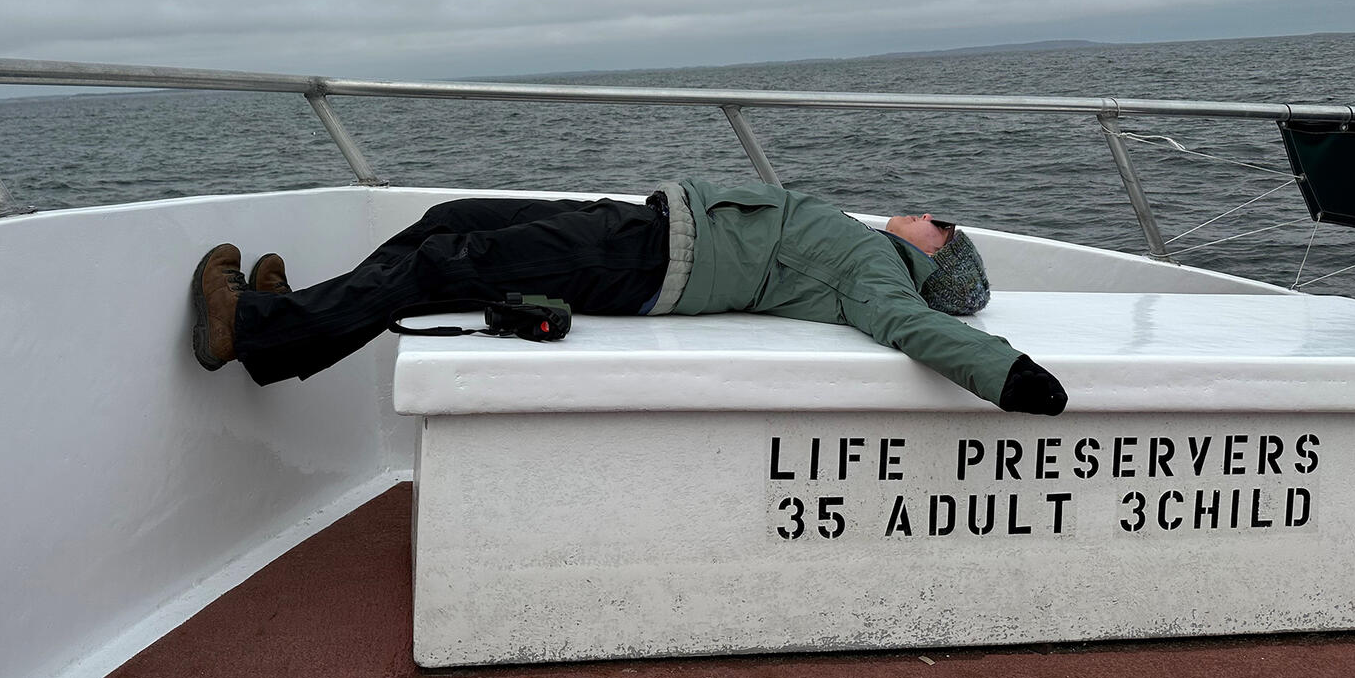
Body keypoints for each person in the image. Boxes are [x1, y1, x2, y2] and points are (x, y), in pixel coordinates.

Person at [190, 180, 1068, 414]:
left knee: (445, 263)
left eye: (937, 221)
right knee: (449, 219)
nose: (918, 210)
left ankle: (260, 330)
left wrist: (1012, 376)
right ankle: (296, 322)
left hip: (647, 267)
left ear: (942, 259)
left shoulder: (882, 277)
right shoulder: (870, 246)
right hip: (644, 226)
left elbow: (914, 331)